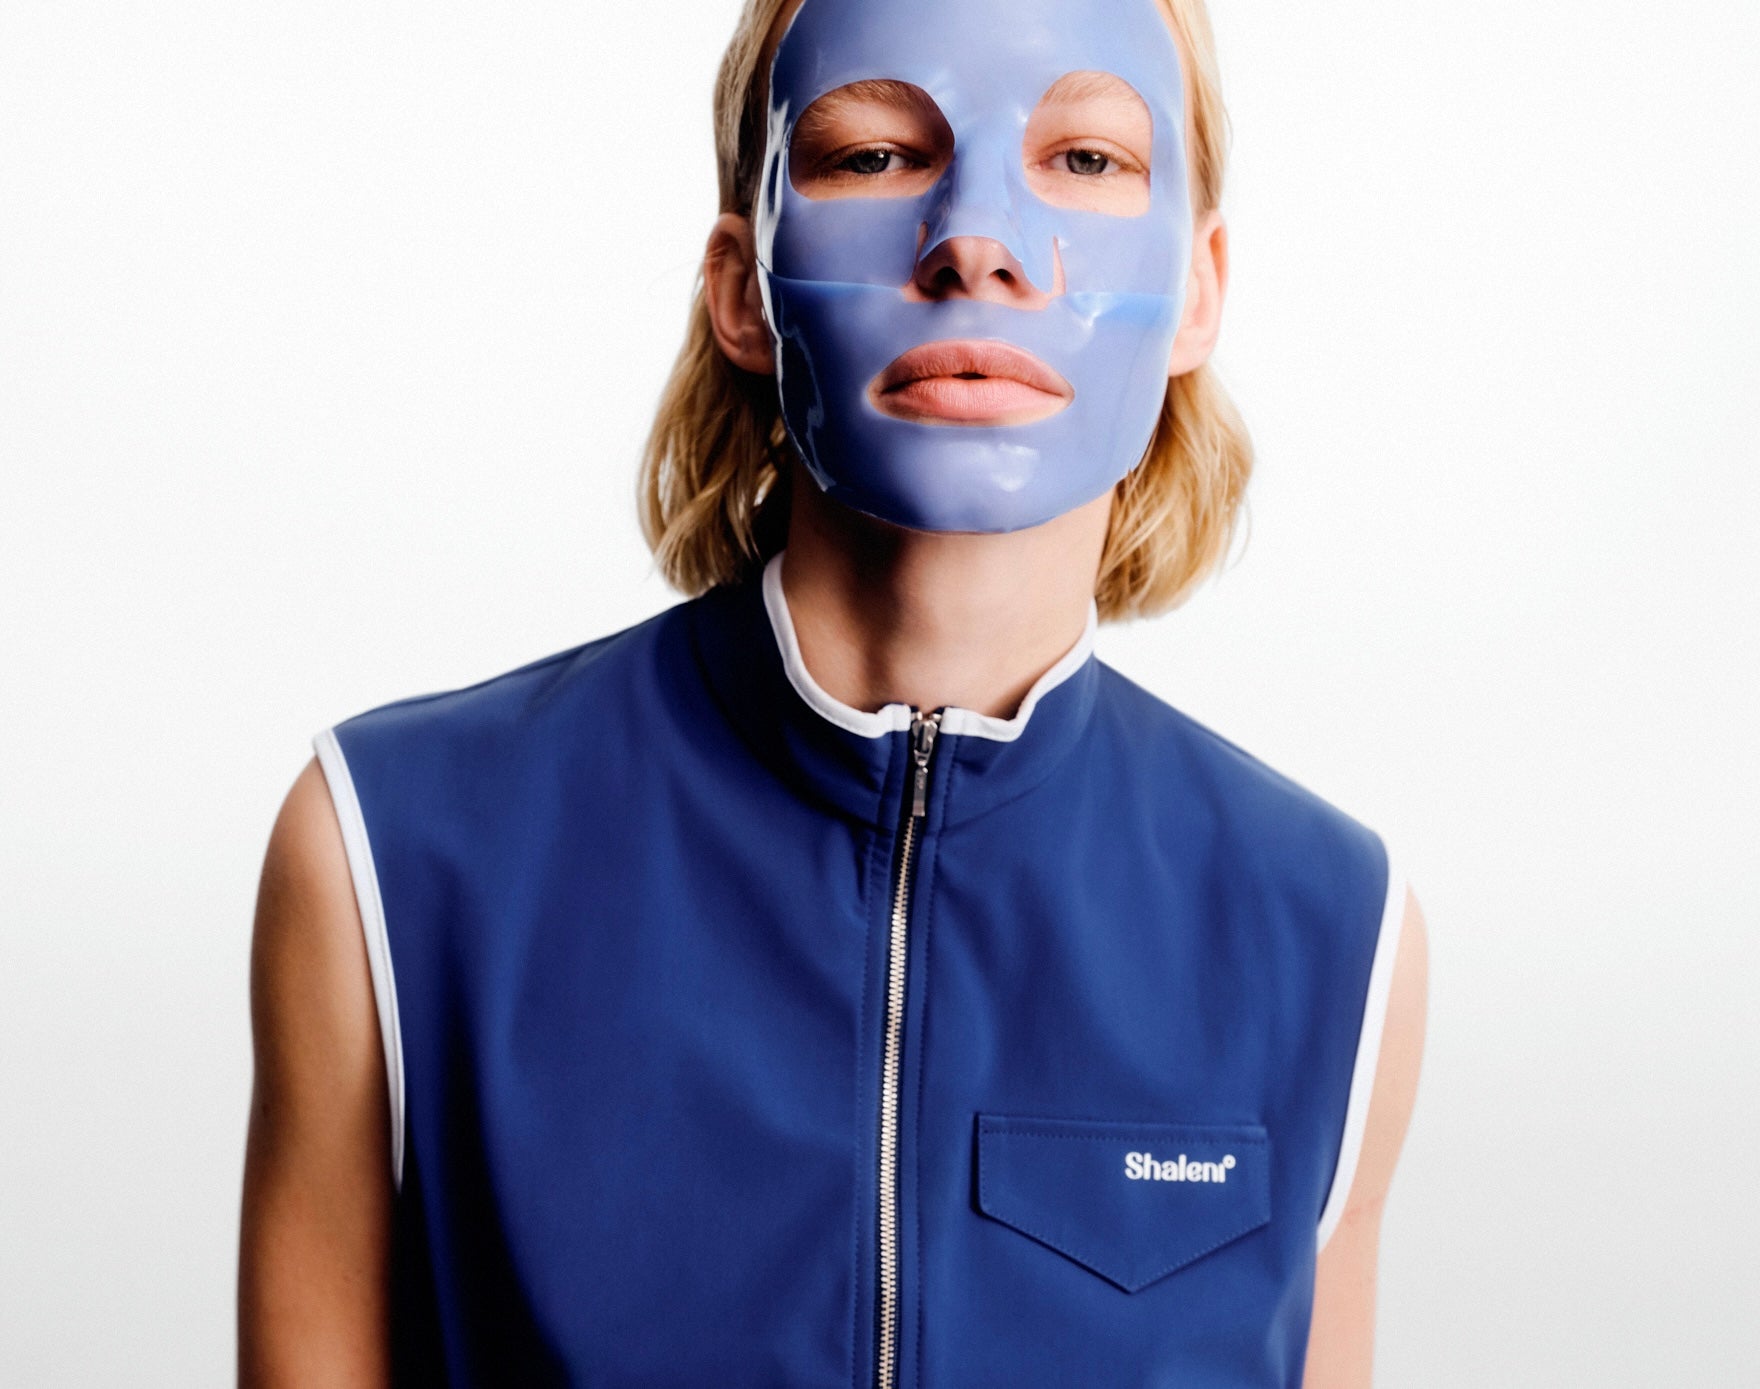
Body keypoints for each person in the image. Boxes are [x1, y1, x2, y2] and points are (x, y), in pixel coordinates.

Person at [237, 0, 1429, 1382]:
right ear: (744, 288)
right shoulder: (390, 858)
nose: (976, 241)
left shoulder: (1334, 933)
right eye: (873, 155)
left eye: (1086, 160)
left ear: (1198, 289)